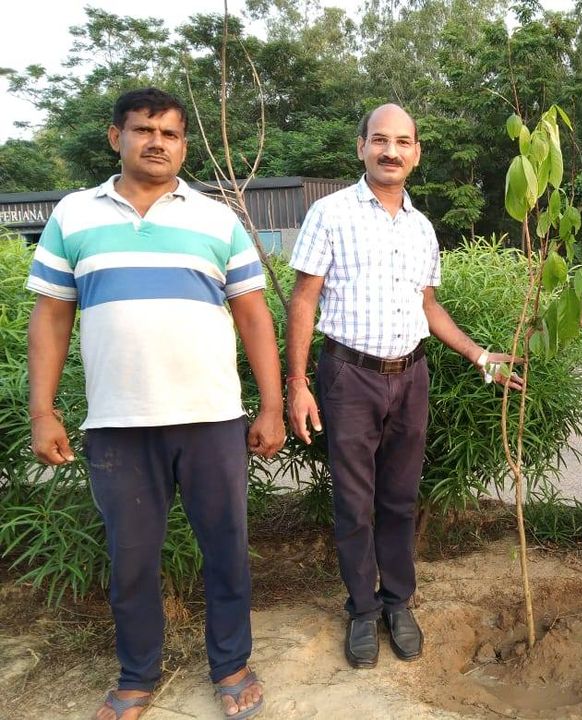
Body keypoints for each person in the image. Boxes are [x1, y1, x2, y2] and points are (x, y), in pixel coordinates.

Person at [27, 87, 284, 720]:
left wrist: (272, 406)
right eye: (144, 130)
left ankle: (232, 665)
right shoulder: (75, 216)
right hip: (119, 424)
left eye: (170, 134)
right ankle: (137, 674)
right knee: (132, 559)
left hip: (211, 419)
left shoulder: (216, 219)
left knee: (226, 548)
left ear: (184, 145)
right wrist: (43, 409)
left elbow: (254, 317)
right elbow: (52, 316)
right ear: (116, 136)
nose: (157, 143)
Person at [285, 103, 522, 670]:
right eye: (380, 141)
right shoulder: (330, 212)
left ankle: (398, 602)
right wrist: (297, 382)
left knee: (398, 498)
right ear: (361, 146)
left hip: (410, 375)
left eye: (403, 142)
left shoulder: (421, 226)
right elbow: (303, 299)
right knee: (353, 501)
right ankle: (363, 609)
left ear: (416, 153)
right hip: (348, 376)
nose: (391, 151)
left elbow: (428, 307)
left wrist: (479, 355)